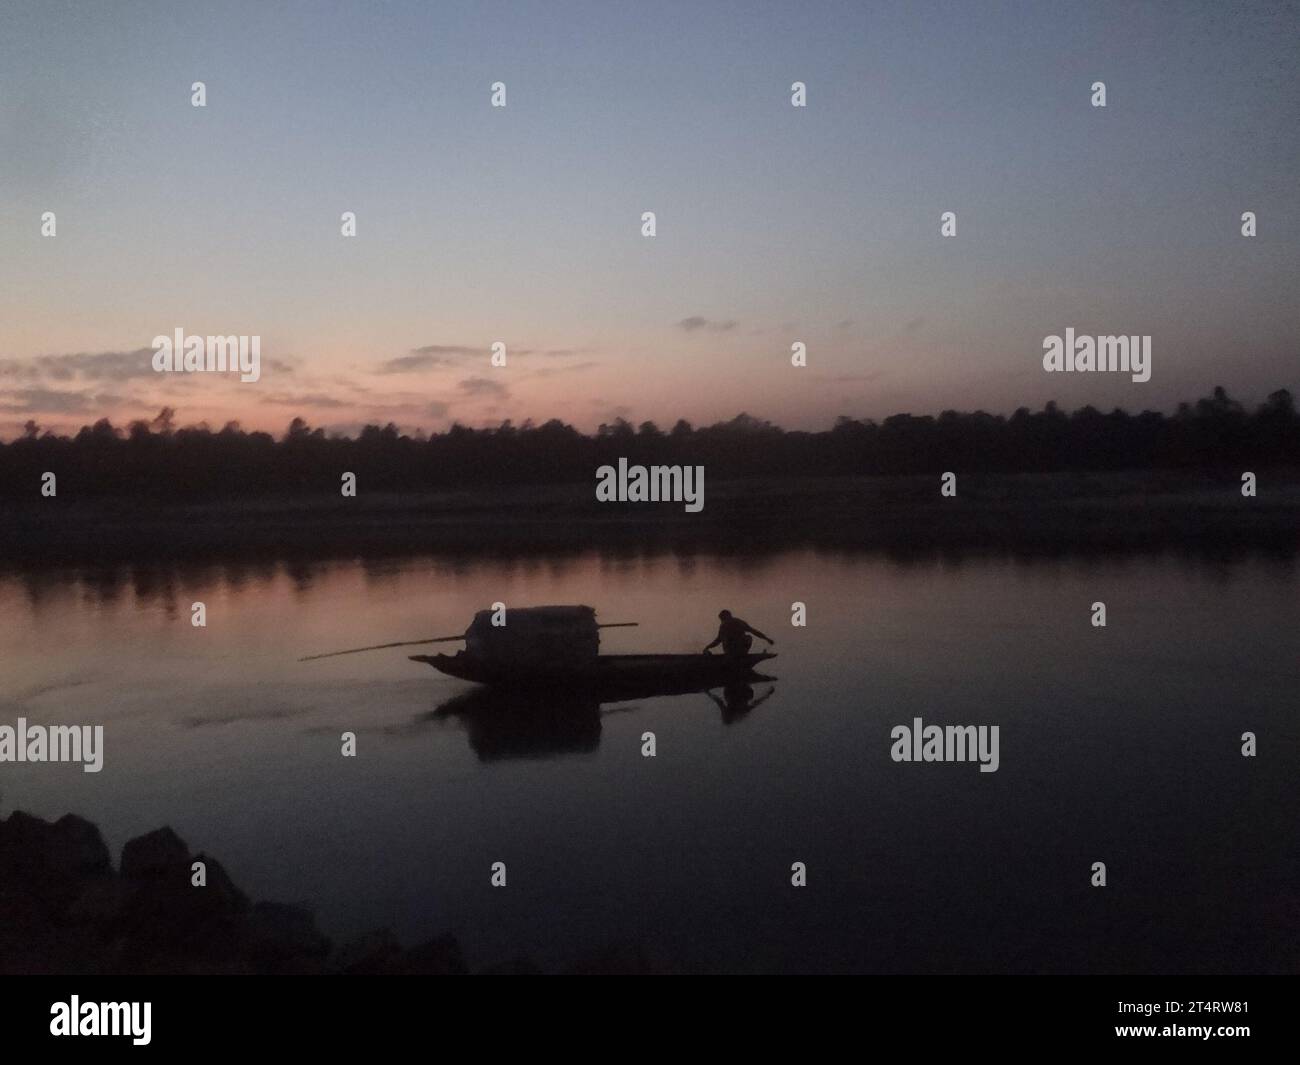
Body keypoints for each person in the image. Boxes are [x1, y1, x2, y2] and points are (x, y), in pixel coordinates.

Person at [702, 610, 774, 658]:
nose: (721, 621)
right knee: (748, 637)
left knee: (747, 637)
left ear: (726, 617)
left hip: (730, 651)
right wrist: (766, 639)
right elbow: (754, 631)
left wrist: (707, 647)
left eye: (721, 619)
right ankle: (741, 655)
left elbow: (718, 640)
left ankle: (737, 655)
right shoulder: (739, 622)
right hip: (733, 649)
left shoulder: (724, 625)